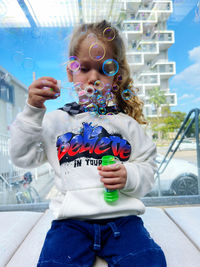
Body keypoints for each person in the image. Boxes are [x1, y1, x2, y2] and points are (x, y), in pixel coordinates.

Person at [9, 20, 166, 267]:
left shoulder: (126, 124)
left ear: (116, 77)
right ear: (71, 73)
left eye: (104, 69)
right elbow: (22, 157)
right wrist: (31, 112)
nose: (93, 77)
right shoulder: (54, 121)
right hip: (70, 223)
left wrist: (130, 175)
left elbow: (147, 164)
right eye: (84, 68)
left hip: (123, 220)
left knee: (150, 261)